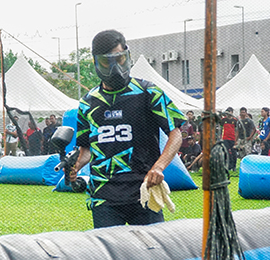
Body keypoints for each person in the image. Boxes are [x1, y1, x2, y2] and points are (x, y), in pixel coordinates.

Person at [68, 29, 185, 228]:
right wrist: (75, 166)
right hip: (104, 197)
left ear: (127, 56)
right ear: (96, 62)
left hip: (144, 190)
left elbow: (176, 134)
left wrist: (158, 167)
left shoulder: (148, 92)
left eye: (120, 59)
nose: (115, 67)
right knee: (109, 249)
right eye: (107, 62)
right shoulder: (87, 103)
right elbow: (86, 149)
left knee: (151, 247)